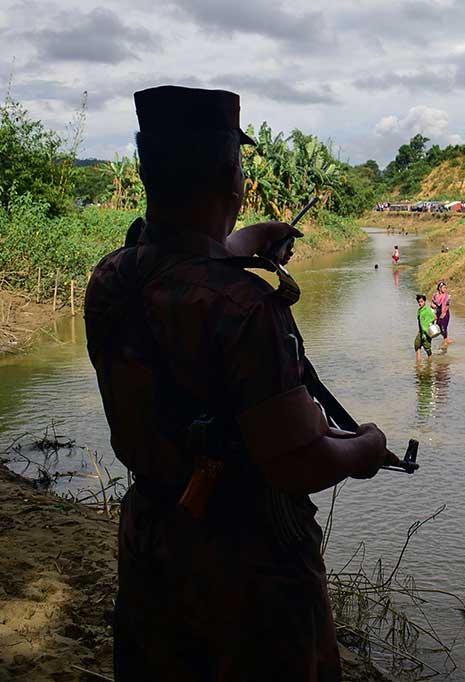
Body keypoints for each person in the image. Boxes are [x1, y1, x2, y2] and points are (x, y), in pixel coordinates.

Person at [83, 85, 402, 682]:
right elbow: (298, 462)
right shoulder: (246, 307)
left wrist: (238, 244)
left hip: (153, 535)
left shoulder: (112, 277)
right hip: (247, 562)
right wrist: (365, 447)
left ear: (149, 174)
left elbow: (176, 269)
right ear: (233, 177)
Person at [415, 293, 435, 361]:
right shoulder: (420, 310)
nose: (420, 303)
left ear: (424, 301)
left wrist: (429, 325)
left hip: (427, 333)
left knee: (427, 349)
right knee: (417, 345)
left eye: (421, 302)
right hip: (420, 332)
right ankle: (418, 362)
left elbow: (434, 317)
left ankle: (430, 362)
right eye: (419, 302)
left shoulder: (427, 310)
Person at [432, 281, 452, 346]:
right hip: (438, 312)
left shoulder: (447, 296)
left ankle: (446, 341)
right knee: (439, 326)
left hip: (445, 313)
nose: (445, 289)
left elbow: (447, 305)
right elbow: (432, 303)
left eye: (445, 288)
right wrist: (433, 306)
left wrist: (443, 313)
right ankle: (446, 339)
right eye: (443, 288)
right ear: (439, 288)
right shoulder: (435, 295)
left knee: (444, 327)